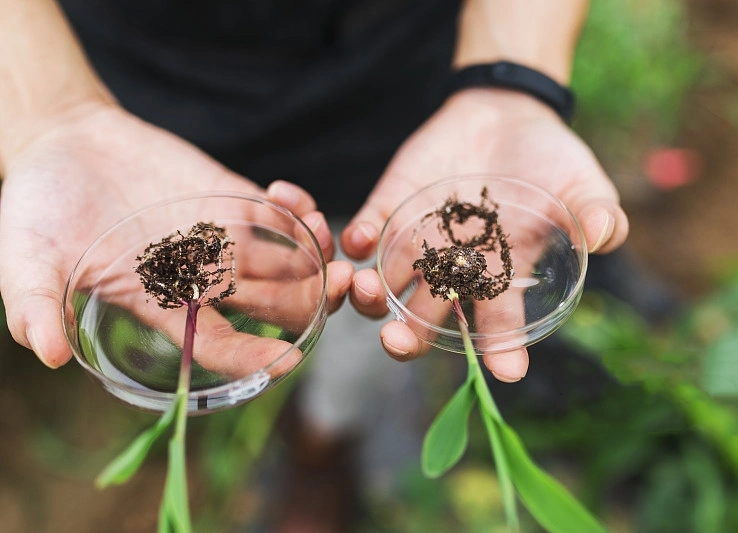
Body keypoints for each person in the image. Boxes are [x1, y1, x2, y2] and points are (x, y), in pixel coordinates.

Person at [0, 0, 628, 530]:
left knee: (368, 298)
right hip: (136, 111)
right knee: (351, 300)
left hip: (412, 103)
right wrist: (48, 113)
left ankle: (325, 443)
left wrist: (510, 76)